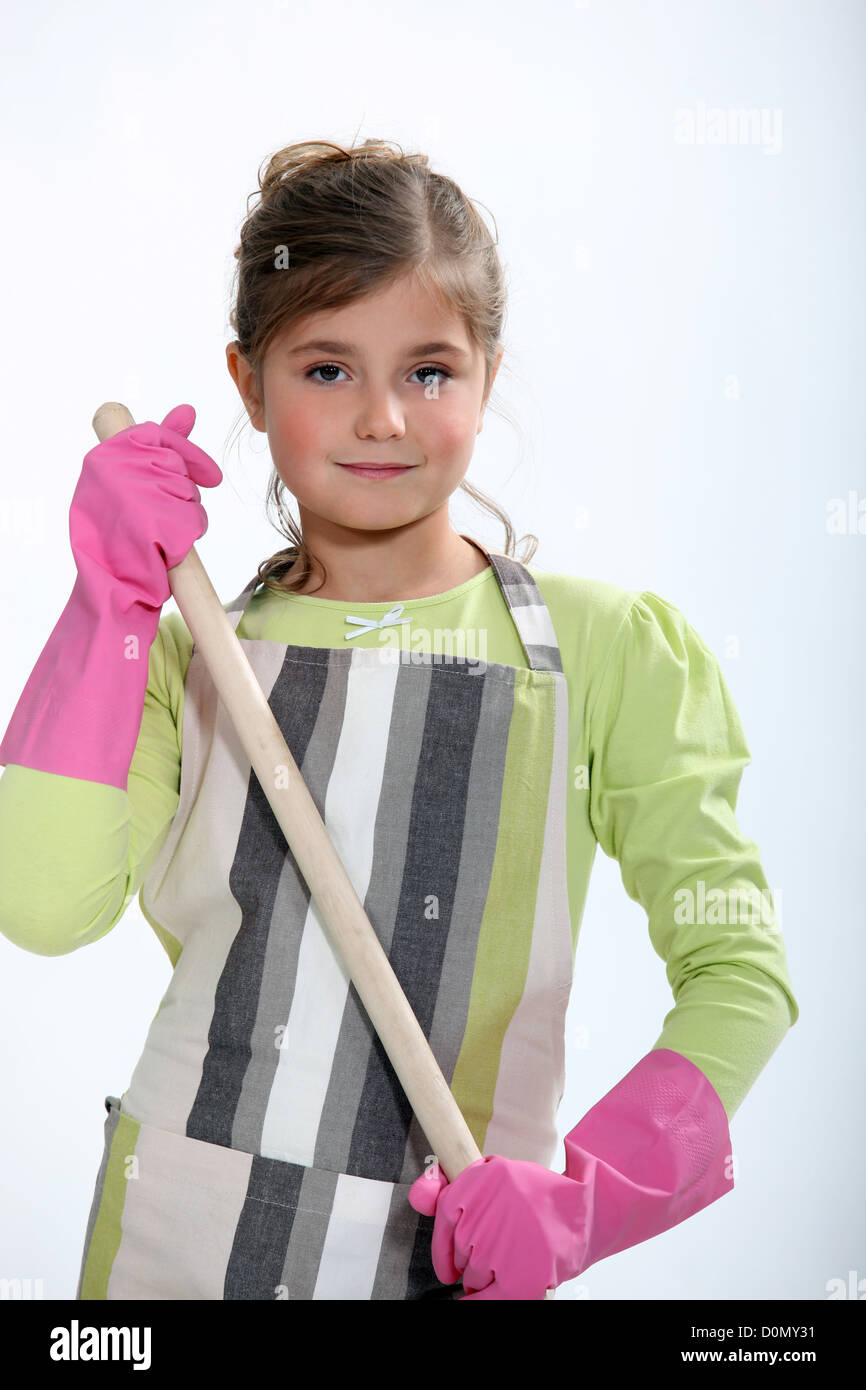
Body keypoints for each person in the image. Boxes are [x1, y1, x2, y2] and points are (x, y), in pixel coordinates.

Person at [0, 138, 799, 1301]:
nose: (380, 416)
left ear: (485, 372)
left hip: (459, 1259)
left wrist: (586, 1202)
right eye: (325, 369)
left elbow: (739, 969)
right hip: (170, 1241)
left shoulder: (609, 649)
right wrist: (106, 605)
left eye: (428, 370)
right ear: (246, 381)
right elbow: (38, 903)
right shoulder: (181, 660)